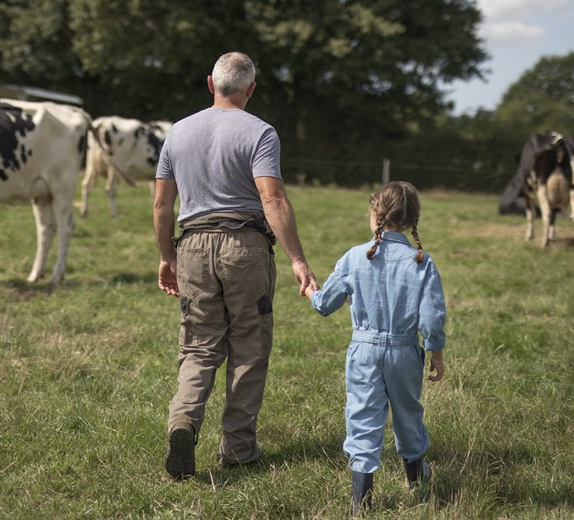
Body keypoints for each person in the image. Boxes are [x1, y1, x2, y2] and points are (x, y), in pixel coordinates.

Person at [153, 51, 319, 480]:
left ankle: (183, 424)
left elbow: (161, 203)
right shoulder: (261, 132)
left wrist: (166, 257)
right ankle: (238, 450)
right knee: (248, 347)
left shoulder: (178, 132)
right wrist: (298, 260)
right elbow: (273, 198)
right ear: (251, 89)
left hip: (191, 245)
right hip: (245, 247)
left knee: (199, 346)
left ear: (210, 83)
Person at [304, 181, 446, 514]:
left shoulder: (354, 257)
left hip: (364, 353)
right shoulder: (422, 262)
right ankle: (415, 479)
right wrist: (436, 352)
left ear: (375, 214)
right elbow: (432, 318)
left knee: (363, 417)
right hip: (405, 351)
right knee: (408, 413)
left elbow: (325, 304)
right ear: (412, 221)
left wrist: (310, 290)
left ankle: (361, 501)